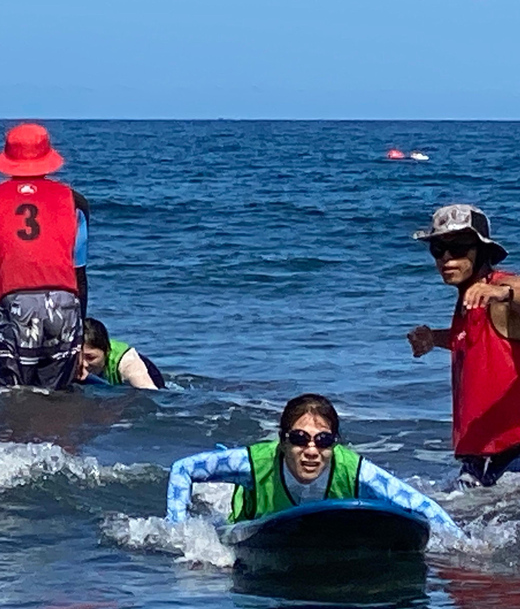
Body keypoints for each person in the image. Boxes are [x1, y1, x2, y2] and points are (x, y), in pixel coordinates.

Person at [166, 393, 463, 538]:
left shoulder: (355, 469)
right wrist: (179, 532)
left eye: (323, 440)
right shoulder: (253, 462)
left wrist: (461, 549)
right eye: (299, 439)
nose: (311, 450)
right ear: (283, 442)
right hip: (256, 518)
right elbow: (184, 469)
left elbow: (420, 505)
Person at [408, 204, 520, 488]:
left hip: (512, 454)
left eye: (457, 248)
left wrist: (502, 292)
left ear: (481, 251)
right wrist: (434, 338)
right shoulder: (468, 302)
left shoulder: (498, 293)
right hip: (478, 458)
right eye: (437, 249)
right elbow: (470, 340)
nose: (446, 258)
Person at [0, 123, 89, 389]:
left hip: (13, 302)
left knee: (11, 395)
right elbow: (79, 272)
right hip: (64, 305)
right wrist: (81, 337)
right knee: (56, 396)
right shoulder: (74, 201)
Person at [80, 317, 165, 390]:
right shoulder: (70, 357)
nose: (84, 364)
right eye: (78, 357)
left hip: (150, 378)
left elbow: (149, 394)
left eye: (90, 358)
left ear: (107, 351)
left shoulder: (127, 362)